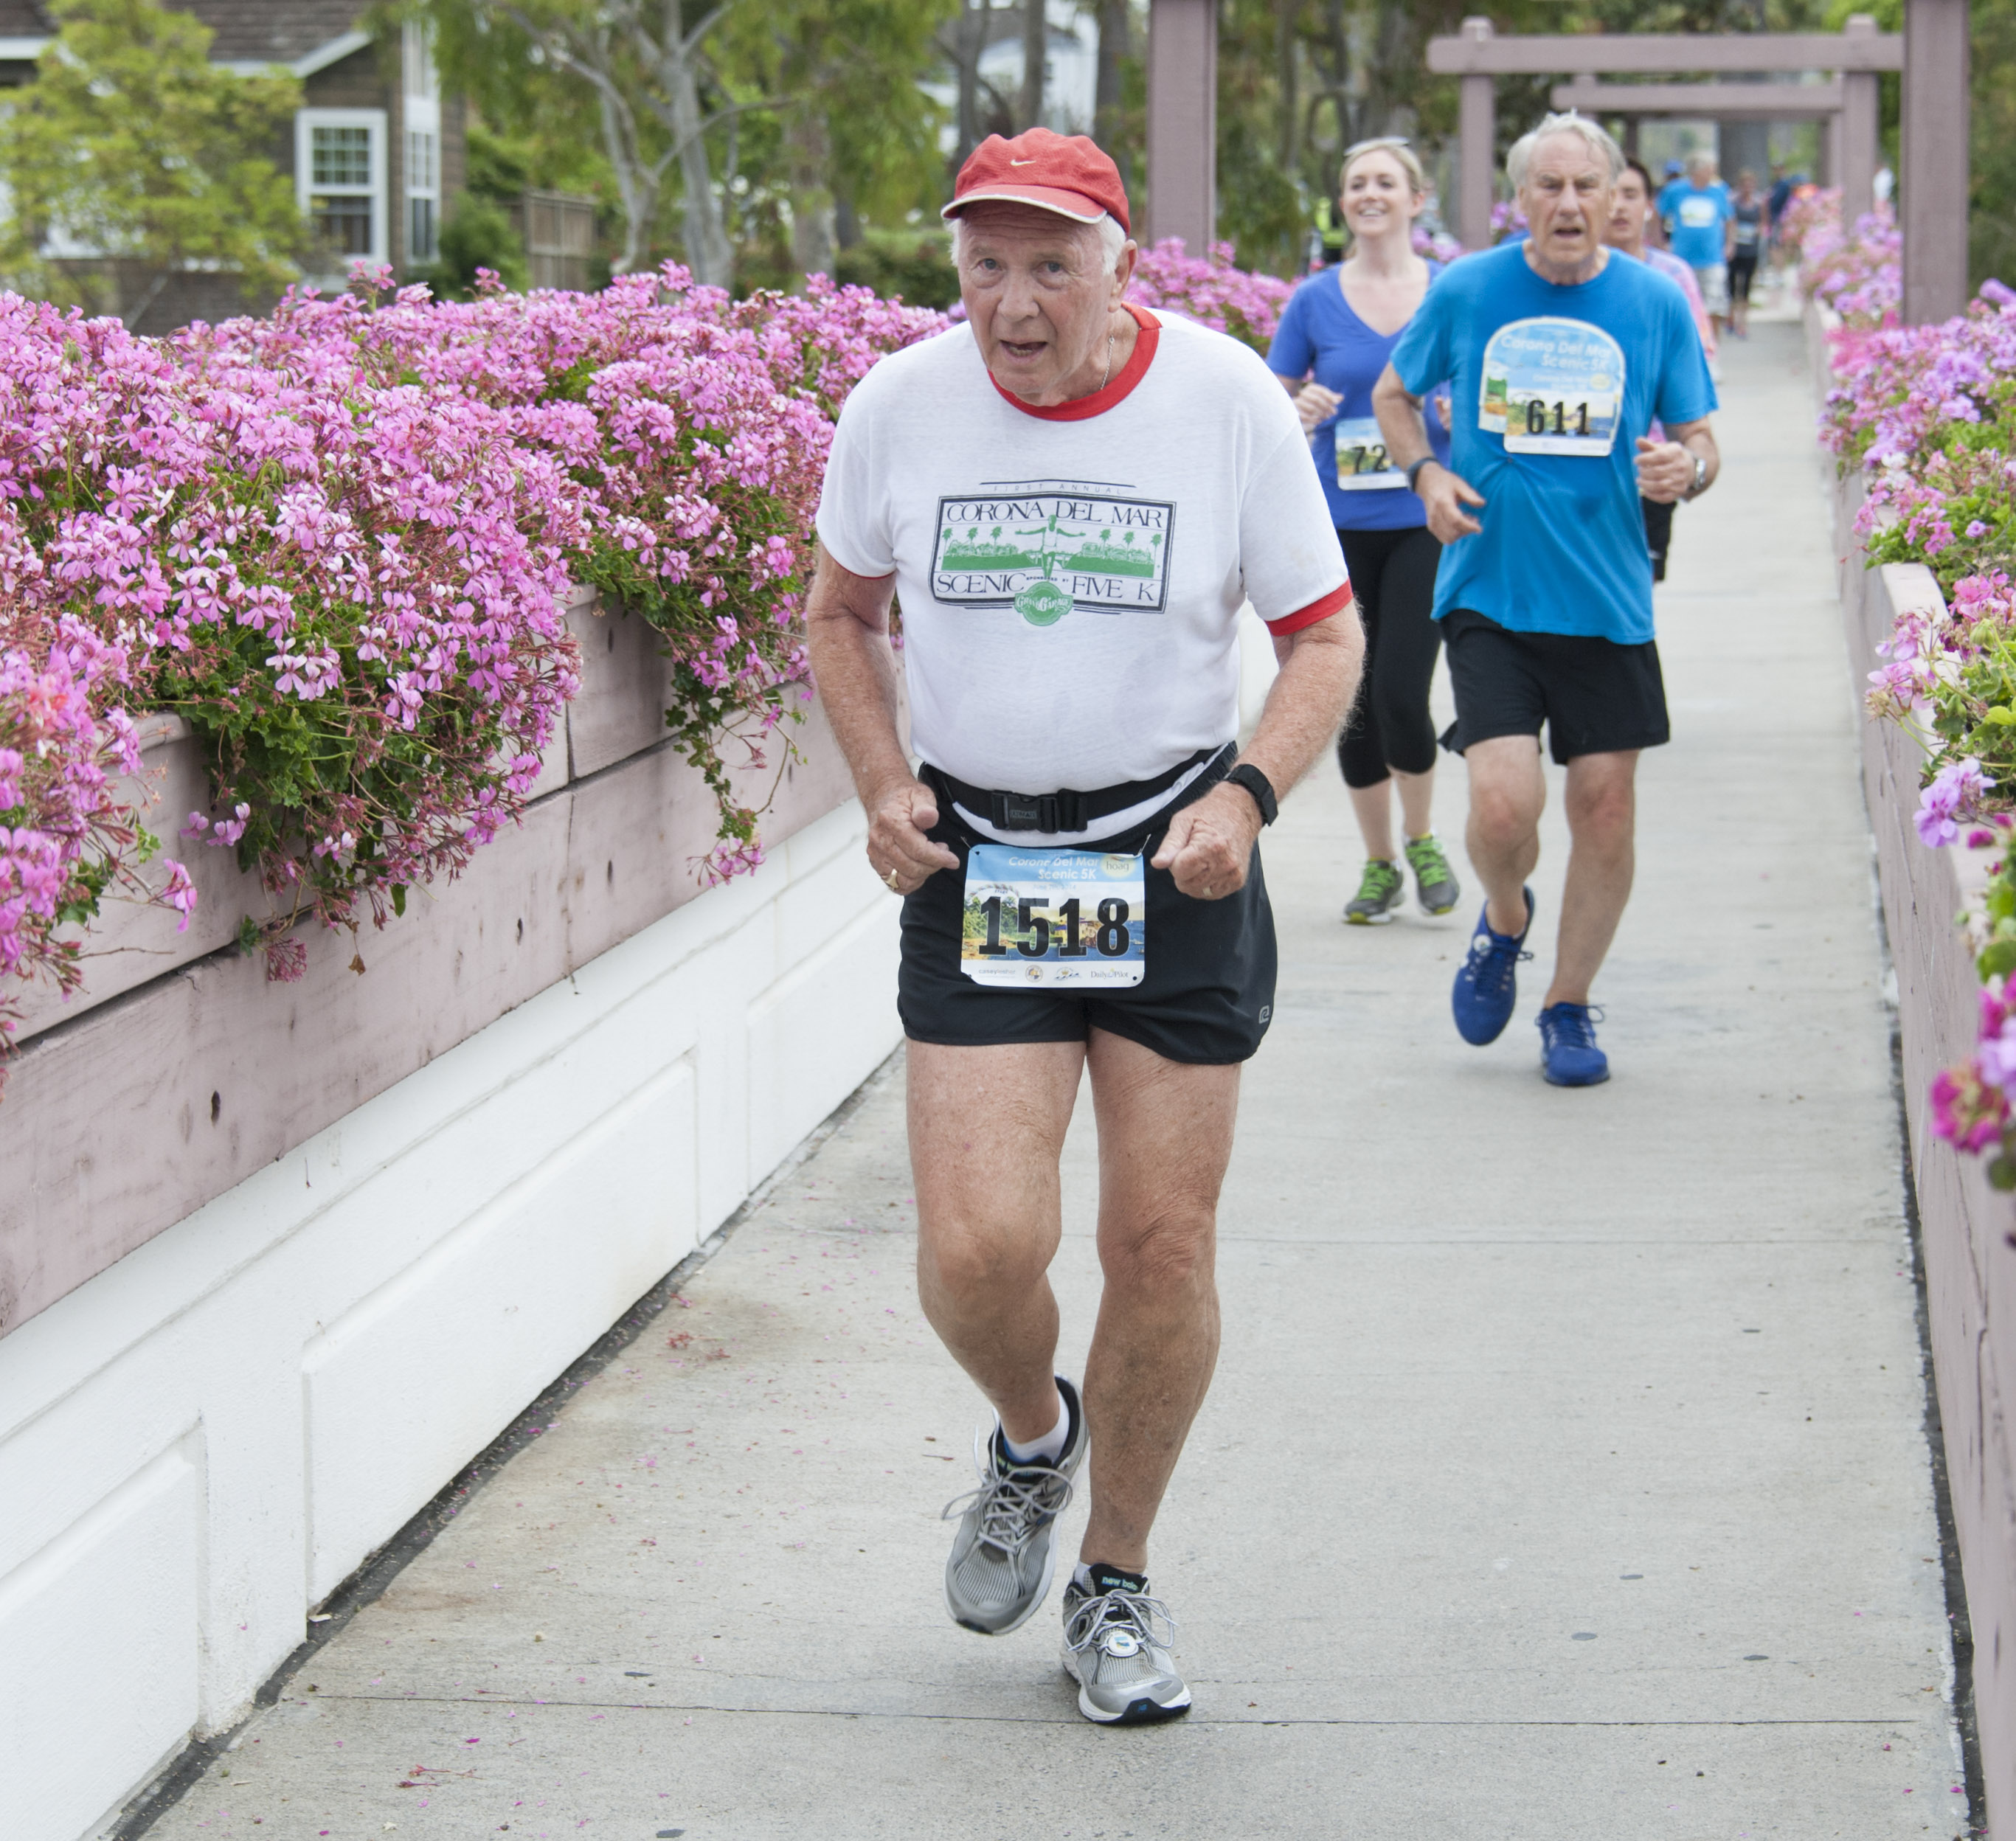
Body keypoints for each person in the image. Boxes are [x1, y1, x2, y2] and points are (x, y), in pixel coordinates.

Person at [807, 127, 1361, 1724]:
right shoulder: (898, 406)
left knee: (1160, 1242)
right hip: (979, 862)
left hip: (1170, 853)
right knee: (977, 1251)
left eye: (1051, 264)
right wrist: (877, 779)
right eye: (985, 265)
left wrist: (1247, 796)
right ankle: (1032, 1444)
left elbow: (1323, 642)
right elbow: (839, 614)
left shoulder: (1225, 402)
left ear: (1122, 263)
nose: (1014, 302)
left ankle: (1115, 1581)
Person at [1371, 111, 1719, 1086]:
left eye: (1586, 187)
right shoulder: (1471, 286)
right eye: (1548, 187)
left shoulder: (1653, 303)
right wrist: (1426, 479)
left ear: (1617, 197)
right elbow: (1397, 397)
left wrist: (1682, 470)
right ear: (1518, 199)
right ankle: (1506, 916)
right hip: (1490, 586)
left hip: (1607, 598)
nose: (1568, 205)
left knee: (1604, 810)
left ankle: (1566, 1004)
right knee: (1500, 807)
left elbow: (1701, 438)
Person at [1267, 136, 1462, 926]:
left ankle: (1422, 838)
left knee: (1399, 691)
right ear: (1343, 203)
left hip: (1424, 517)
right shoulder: (1314, 300)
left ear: (1417, 201)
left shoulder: (1452, 290)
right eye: (1356, 184)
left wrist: (1460, 413)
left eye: (1386, 181)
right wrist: (1298, 407)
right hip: (1335, 525)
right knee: (1349, 701)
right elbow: (1267, 403)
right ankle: (1379, 863)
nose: (1370, 193)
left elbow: (1488, 387)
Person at [1607, 156, 1715, 583]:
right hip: (1582, 463)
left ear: (1650, 205)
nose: (1618, 207)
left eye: (1630, 195)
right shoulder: (1561, 283)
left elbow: (1697, 362)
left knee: (1635, 587)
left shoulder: (1671, 278)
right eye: (1610, 195)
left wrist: (1688, 459)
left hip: (1649, 465)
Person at [1666, 152, 1734, 339]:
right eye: (1708, 168)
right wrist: (1659, 243)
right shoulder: (1676, 191)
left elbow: (1729, 219)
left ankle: (1713, 348)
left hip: (1712, 259)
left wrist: (1729, 244)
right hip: (1682, 258)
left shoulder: (1719, 191)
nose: (1711, 172)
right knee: (1682, 305)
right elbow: (1658, 213)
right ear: (1697, 171)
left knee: (1715, 305)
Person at [1727, 170, 1764, 337]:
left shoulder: (1759, 203)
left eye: (1751, 184)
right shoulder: (1732, 203)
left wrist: (1757, 231)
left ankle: (1743, 324)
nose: (1748, 188)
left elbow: (1764, 223)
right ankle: (1731, 318)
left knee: (1746, 289)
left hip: (1751, 250)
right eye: (1745, 184)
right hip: (1735, 251)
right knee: (1732, 288)